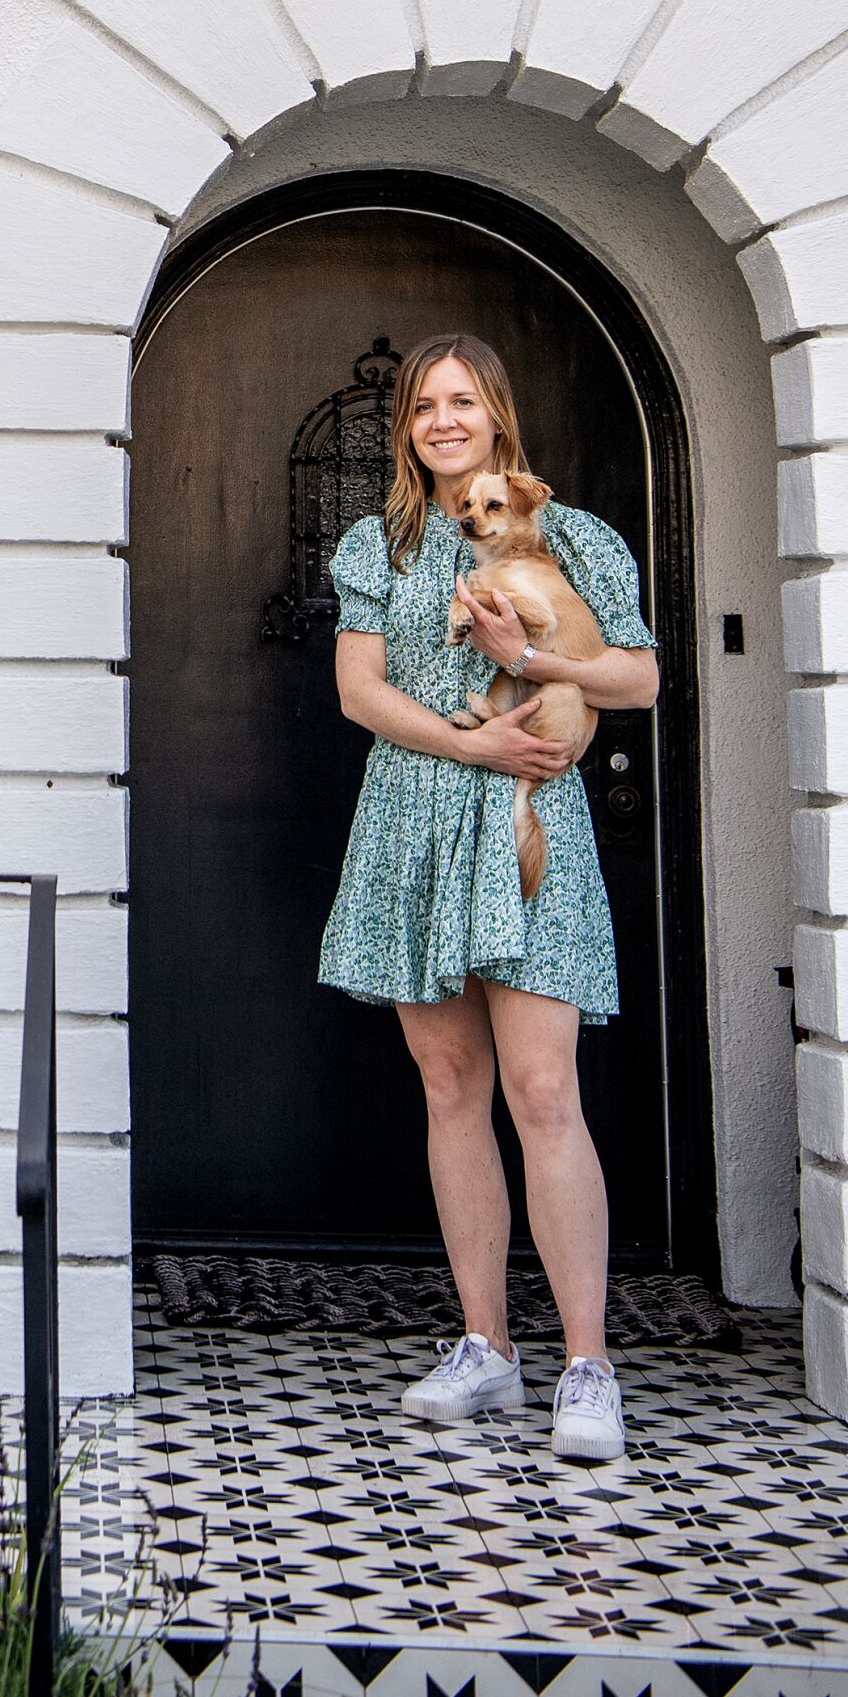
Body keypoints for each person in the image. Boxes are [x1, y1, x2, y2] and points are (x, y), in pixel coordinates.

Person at [318, 332, 659, 1463]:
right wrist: (469, 751)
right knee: (449, 1083)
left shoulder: (575, 535)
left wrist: (542, 665)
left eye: (461, 401)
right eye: (424, 406)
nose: (441, 420)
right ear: (407, 428)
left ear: (497, 419)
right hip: (415, 813)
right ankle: (484, 1345)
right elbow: (359, 693)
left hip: (533, 824)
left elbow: (639, 676)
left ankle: (584, 1363)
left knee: (541, 1089)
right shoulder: (381, 541)